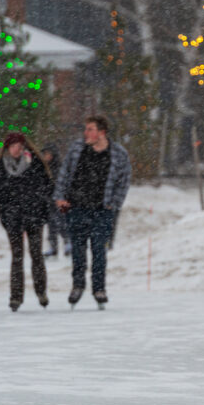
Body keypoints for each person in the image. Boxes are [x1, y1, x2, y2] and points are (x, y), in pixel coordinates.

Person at [54, 115, 132, 310]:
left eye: (90, 129)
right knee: (78, 251)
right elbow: (64, 173)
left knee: (99, 251)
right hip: (77, 207)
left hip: (102, 210)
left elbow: (124, 181)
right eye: (86, 129)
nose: (86, 133)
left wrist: (114, 204)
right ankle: (78, 285)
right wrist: (60, 197)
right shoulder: (76, 149)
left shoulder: (118, 154)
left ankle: (99, 288)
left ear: (101, 132)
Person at [0, 133, 54, 312]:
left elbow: (48, 188)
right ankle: (16, 297)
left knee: (36, 254)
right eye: (13, 146)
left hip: (34, 216)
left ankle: (41, 292)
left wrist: (49, 206)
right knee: (17, 258)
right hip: (12, 218)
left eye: (19, 146)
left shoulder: (35, 165)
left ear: (25, 147)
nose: (16, 150)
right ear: (7, 149)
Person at [40, 146, 69, 259]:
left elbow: (63, 183)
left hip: (59, 200)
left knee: (62, 222)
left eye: (48, 153)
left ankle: (67, 243)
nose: (46, 156)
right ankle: (53, 247)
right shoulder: (42, 168)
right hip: (48, 200)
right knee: (51, 225)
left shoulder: (60, 168)